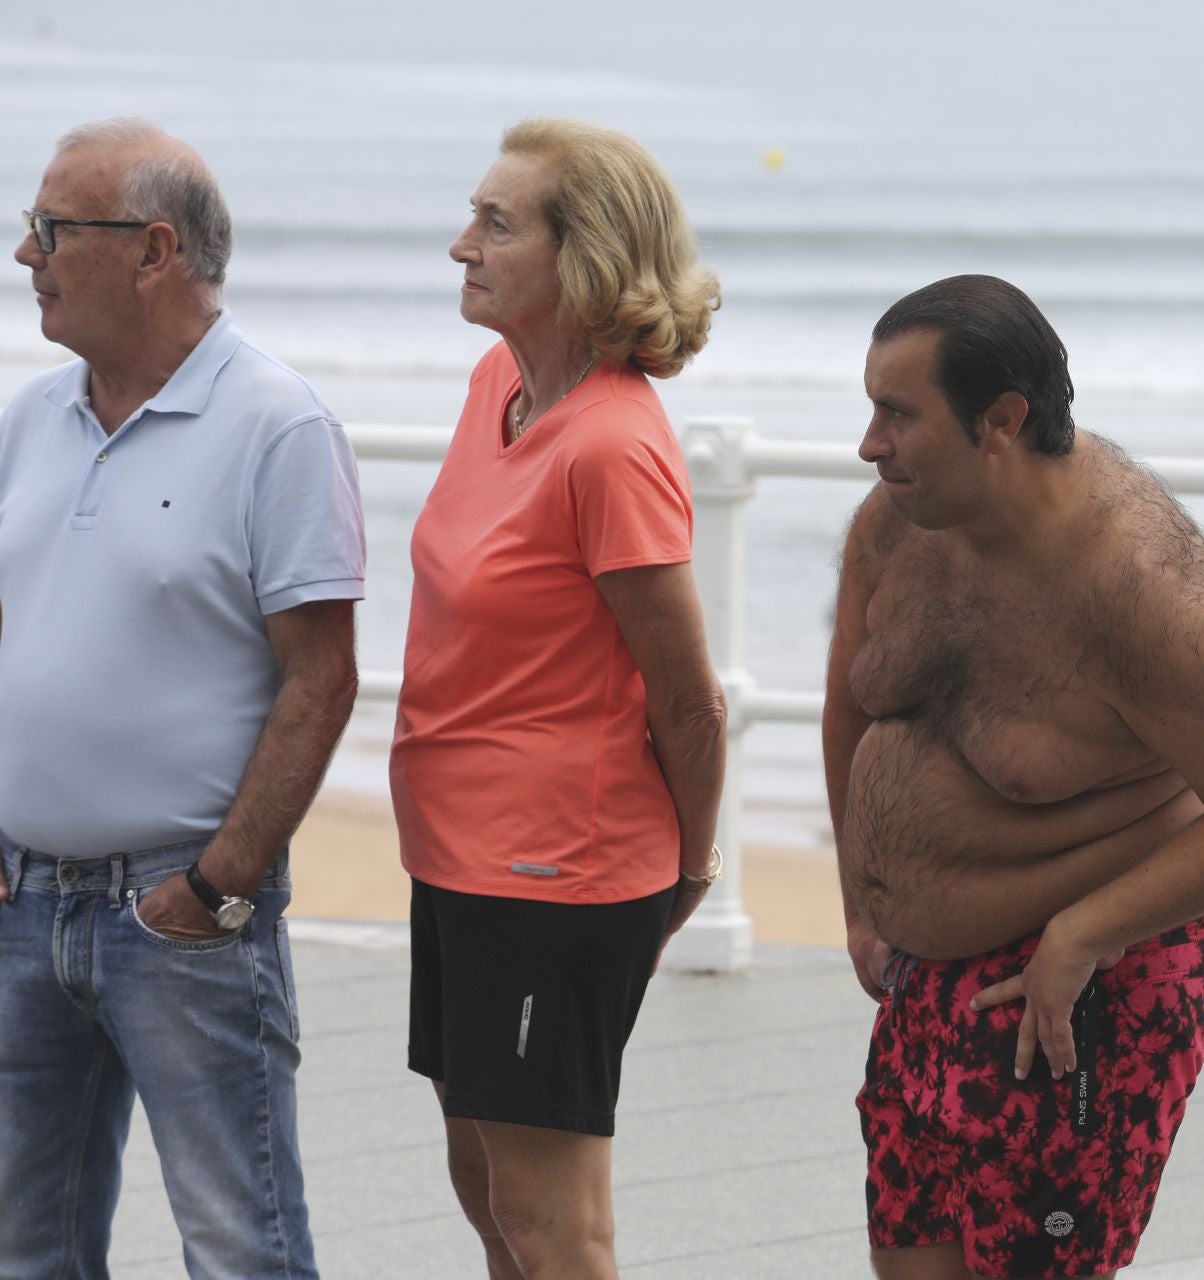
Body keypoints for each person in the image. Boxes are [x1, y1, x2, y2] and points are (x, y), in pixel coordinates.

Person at [825, 274, 1204, 1280]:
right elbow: (851, 701)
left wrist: (1081, 936)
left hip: (1087, 980)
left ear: (999, 421)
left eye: (897, 413)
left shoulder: (1135, 589)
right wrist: (860, 896)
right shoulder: (900, 522)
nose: (870, 445)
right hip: (930, 976)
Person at [0, 119, 364, 1279]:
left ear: (155, 250)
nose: (26, 254)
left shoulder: (278, 425)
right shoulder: (27, 419)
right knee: (24, 1244)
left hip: (184, 914)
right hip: (23, 898)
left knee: (239, 1245)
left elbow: (323, 674)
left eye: (51, 229)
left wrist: (219, 883)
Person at [389, 117, 726, 1280]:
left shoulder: (612, 448)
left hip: (555, 869)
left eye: (495, 223)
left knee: (553, 1223)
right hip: (459, 856)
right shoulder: (501, 382)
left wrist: (691, 869)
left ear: (581, 258)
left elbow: (689, 702)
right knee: (485, 1188)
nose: (460, 245)